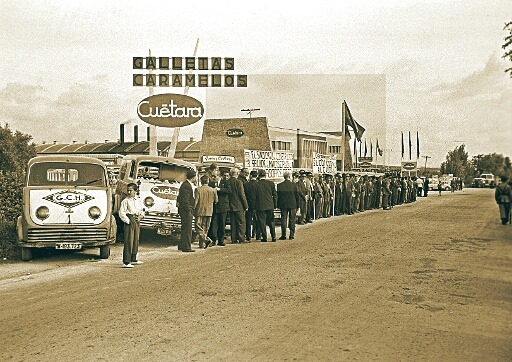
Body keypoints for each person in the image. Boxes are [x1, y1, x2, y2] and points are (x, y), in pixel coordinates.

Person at [118, 182, 145, 268]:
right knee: (129, 240)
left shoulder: (138, 200)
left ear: (135, 191)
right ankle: (126, 261)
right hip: (130, 219)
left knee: (135, 240)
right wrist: (128, 221)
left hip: (136, 219)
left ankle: (134, 258)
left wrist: (141, 216)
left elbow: (142, 210)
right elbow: (121, 213)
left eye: (131, 190)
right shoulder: (125, 201)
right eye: (128, 190)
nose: (129, 192)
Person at [194, 174, 218, 248]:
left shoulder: (198, 189)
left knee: (197, 226)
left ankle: (206, 240)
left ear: (201, 181)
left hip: (199, 210)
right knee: (205, 227)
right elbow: (216, 200)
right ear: (208, 181)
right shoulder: (213, 190)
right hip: (209, 211)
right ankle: (202, 244)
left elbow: (196, 201)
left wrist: (193, 208)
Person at [254, 169, 277, 242]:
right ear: (265, 175)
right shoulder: (271, 183)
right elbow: (275, 195)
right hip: (270, 205)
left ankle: (264, 237)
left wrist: (254, 206)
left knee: (262, 222)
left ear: (258, 175)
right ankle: (273, 237)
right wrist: (275, 204)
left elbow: (254, 197)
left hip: (260, 206)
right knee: (271, 222)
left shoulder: (256, 184)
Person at [226, 167, 248, 244]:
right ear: (237, 173)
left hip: (230, 205)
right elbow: (242, 195)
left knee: (233, 223)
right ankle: (241, 238)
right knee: (241, 222)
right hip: (239, 205)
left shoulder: (227, 182)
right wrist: (246, 205)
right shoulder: (239, 182)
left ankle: (234, 239)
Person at [177, 169, 197, 252]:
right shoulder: (187, 186)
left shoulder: (185, 184)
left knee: (184, 228)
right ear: (193, 177)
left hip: (184, 210)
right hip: (186, 211)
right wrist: (189, 209)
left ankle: (182, 245)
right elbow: (185, 200)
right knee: (187, 229)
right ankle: (186, 247)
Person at [277, 171, 300, 240]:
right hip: (293, 204)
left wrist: (278, 205)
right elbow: (297, 196)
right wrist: (298, 206)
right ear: (289, 177)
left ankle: (283, 235)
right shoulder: (294, 185)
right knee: (292, 219)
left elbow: (278, 196)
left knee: (283, 219)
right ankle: (291, 235)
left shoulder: (279, 185)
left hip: (283, 204)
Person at [244, 170, 260, 241]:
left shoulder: (246, 184)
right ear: (256, 176)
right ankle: (257, 235)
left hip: (249, 204)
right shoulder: (259, 184)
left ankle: (248, 236)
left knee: (248, 221)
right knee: (258, 220)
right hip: (257, 205)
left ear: (250, 176)